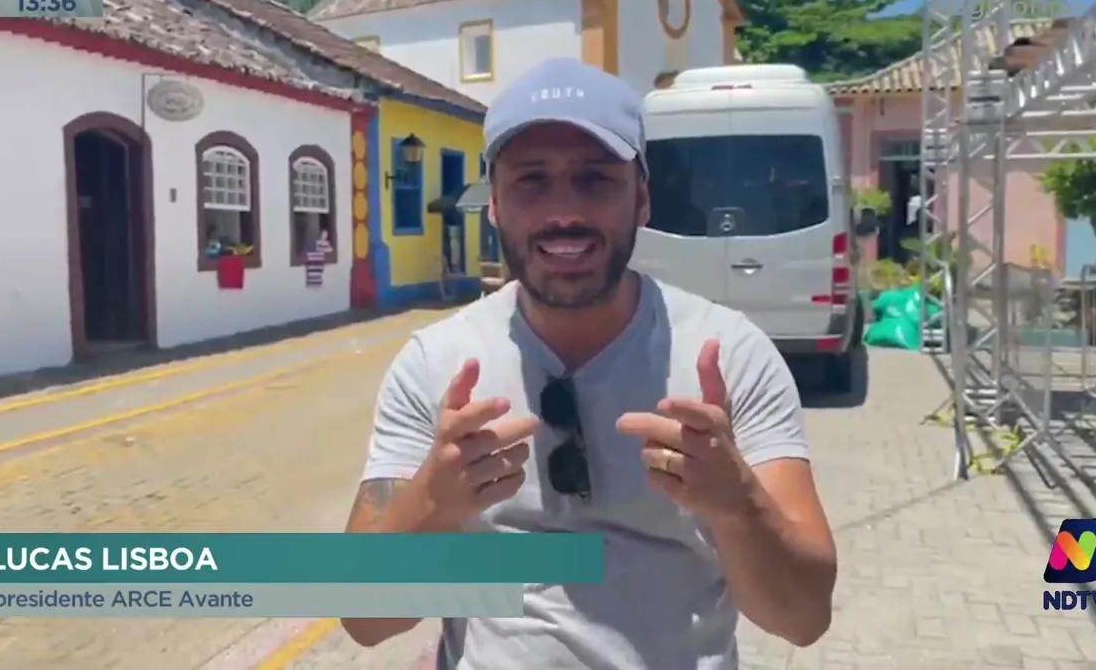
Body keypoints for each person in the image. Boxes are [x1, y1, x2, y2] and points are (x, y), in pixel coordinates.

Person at [341, 57, 838, 668]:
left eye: (596, 179)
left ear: (642, 199)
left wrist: (737, 504)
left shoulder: (729, 355)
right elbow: (363, 616)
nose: (563, 213)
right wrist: (432, 505)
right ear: (493, 203)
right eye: (531, 180)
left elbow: (804, 617)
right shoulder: (434, 363)